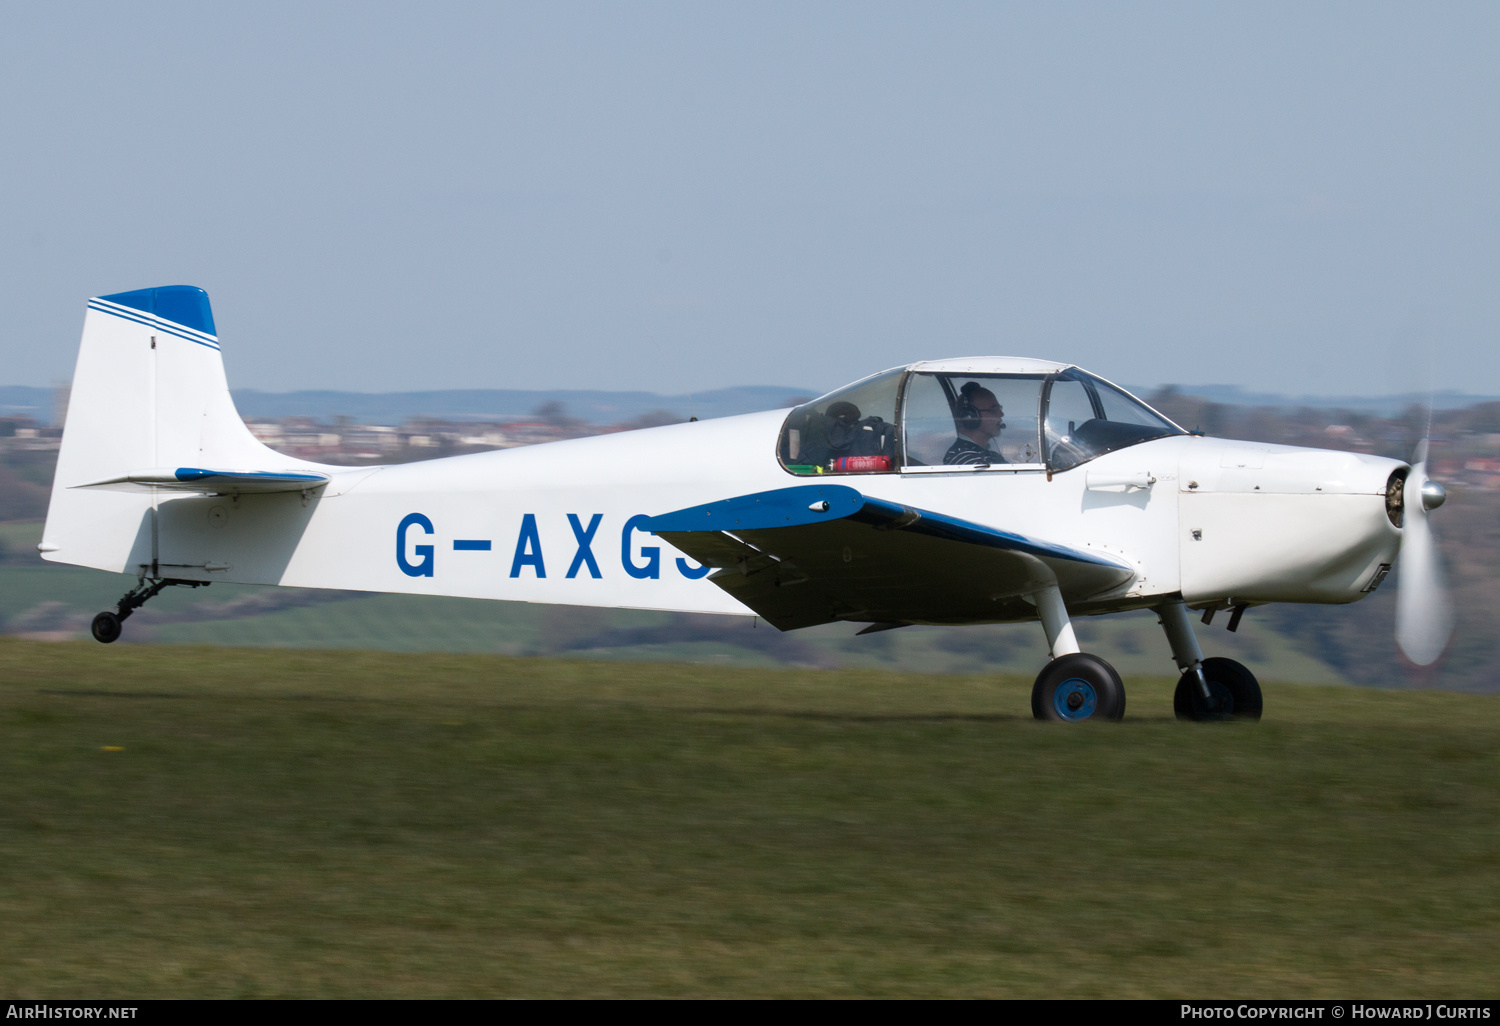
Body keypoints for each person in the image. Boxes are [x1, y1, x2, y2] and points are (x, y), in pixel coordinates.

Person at [943, 381, 1007, 465]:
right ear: (970, 417)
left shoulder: (991, 455)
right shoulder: (963, 457)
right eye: (994, 410)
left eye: (999, 408)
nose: (1001, 414)